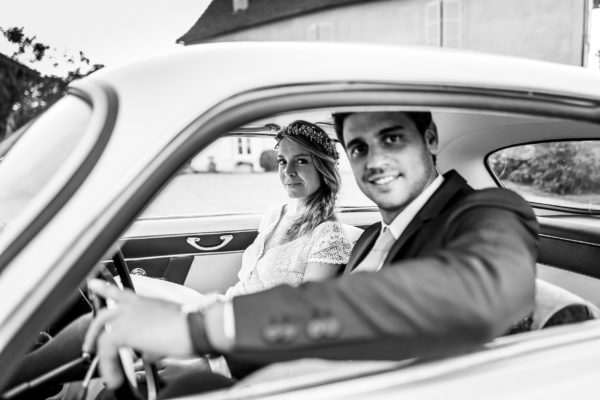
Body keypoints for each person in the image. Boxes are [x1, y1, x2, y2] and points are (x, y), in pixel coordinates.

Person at [83, 110, 539, 397]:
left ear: (431, 139)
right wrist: (211, 357)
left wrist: (207, 330)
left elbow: (474, 295)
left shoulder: (491, 211)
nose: (374, 160)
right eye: (358, 147)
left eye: (393, 138)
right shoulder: (365, 241)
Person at [5, 120, 362, 398]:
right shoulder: (276, 213)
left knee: (115, 334)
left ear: (324, 167)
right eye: (283, 161)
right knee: (115, 309)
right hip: (221, 311)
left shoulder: (328, 235)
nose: (287, 172)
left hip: (244, 339)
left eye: (301, 161)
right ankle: (34, 371)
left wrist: (210, 357)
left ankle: (22, 374)